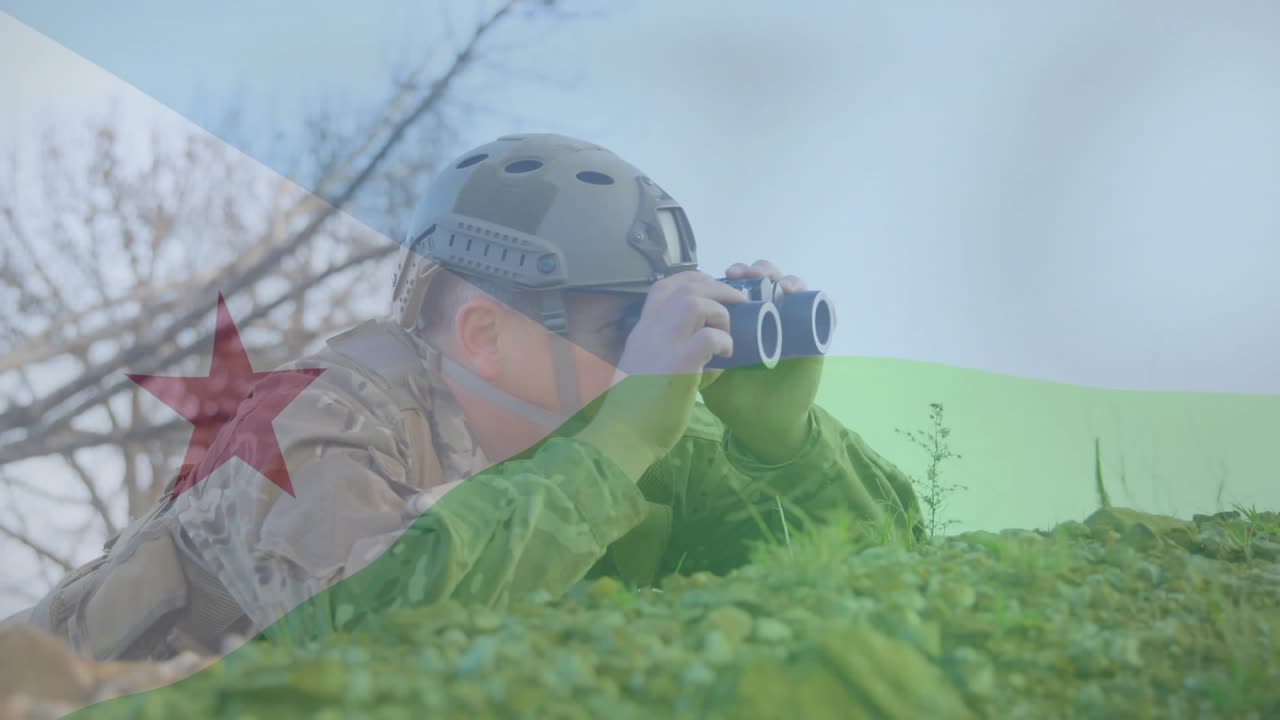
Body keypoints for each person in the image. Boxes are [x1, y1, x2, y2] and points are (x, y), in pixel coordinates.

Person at [12, 133, 922, 661]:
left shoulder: (621, 445)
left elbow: (882, 594)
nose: (656, 364)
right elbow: (357, 638)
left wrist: (787, 448)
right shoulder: (312, 419)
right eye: (623, 332)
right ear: (486, 334)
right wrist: (615, 453)